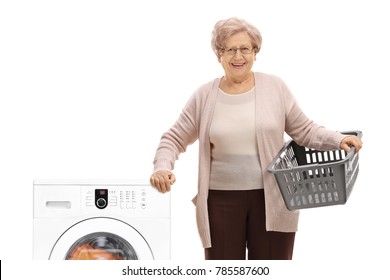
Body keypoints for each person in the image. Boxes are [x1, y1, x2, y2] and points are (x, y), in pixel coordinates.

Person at [150, 17, 363, 260]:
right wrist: (161, 167)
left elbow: (305, 129)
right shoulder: (204, 96)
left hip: (273, 197)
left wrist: (337, 139)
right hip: (220, 201)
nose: (237, 56)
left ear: (255, 52)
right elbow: (173, 138)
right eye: (229, 49)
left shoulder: (275, 88)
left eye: (244, 49)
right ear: (218, 54)